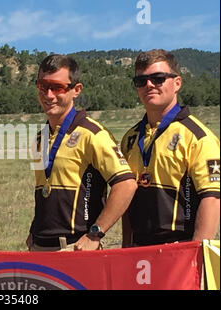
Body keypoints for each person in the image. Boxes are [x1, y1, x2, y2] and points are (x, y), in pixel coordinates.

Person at [26, 54, 138, 251]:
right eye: (43, 86)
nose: (49, 95)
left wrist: (95, 234)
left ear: (76, 90)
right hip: (39, 248)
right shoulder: (40, 138)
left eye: (57, 87)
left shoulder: (92, 134)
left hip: (75, 248)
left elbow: (126, 185)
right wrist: (34, 231)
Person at [121, 49, 220, 247]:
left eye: (158, 78)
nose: (149, 85)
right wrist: (126, 246)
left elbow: (212, 199)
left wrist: (195, 254)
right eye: (141, 81)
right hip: (138, 250)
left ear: (177, 83)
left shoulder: (198, 137)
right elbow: (126, 200)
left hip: (178, 248)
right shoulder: (130, 139)